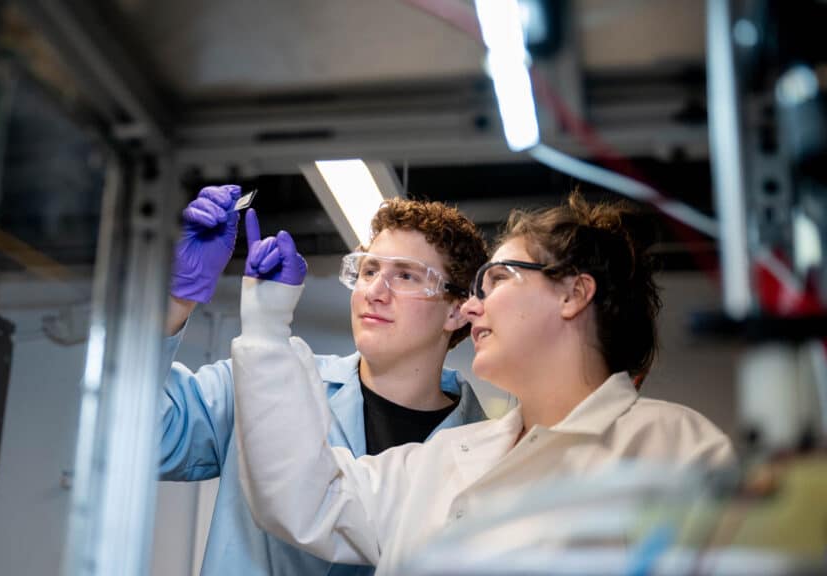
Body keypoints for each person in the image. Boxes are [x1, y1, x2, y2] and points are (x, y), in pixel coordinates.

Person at [231, 192, 736, 575]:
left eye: (496, 281)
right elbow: (304, 496)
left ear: (573, 294)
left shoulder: (672, 448)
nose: (472, 307)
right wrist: (266, 327)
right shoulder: (444, 458)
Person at [159, 184, 490, 576]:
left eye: (405, 276)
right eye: (369, 271)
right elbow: (147, 437)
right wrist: (176, 301)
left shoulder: (487, 456)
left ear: (457, 311)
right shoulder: (263, 384)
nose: (375, 292)